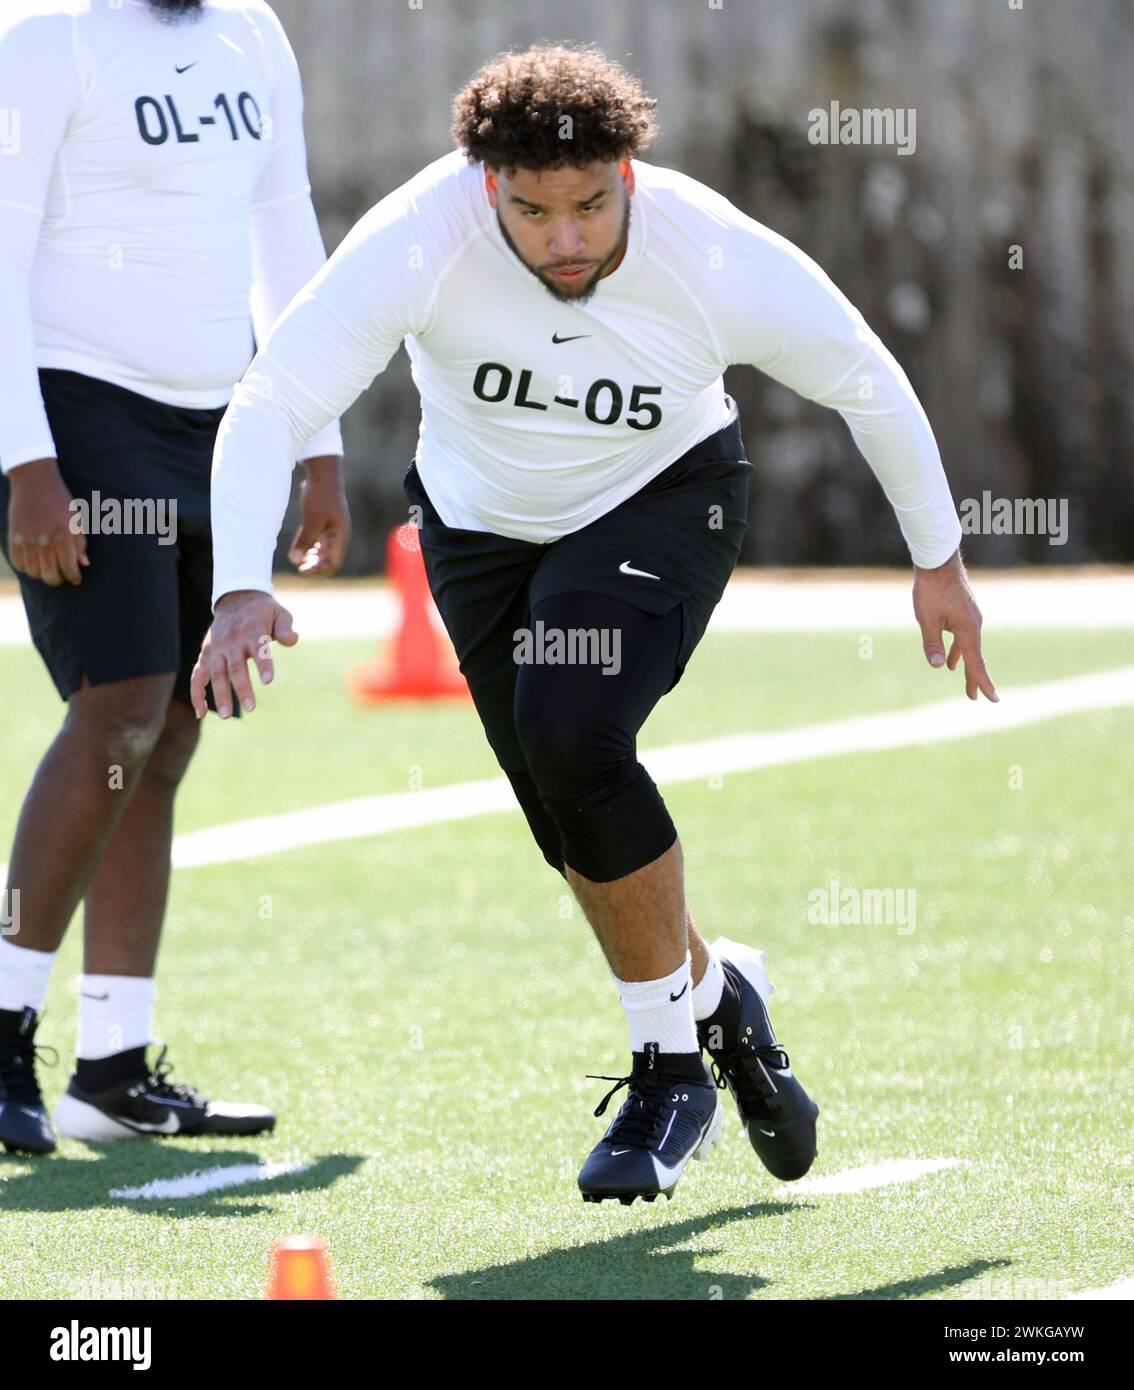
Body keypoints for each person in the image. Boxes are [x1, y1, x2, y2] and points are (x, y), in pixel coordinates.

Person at [191, 43, 996, 1204]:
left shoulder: (709, 249)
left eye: (590, 205)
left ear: (632, 171)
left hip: (666, 497)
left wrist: (940, 561)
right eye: (531, 211)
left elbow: (864, 374)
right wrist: (238, 584)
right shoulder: (422, 236)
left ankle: (670, 1072)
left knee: (574, 732)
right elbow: (273, 398)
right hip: (478, 532)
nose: (564, 236)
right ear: (486, 192)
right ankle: (722, 1001)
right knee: (571, 828)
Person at [0, 0, 349, 1156]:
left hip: (222, 419)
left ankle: (110, 1065)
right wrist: (27, 462)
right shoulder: (49, 37)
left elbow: (282, 226)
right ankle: (3, 1032)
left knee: (170, 730)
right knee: (122, 700)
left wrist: (316, 438)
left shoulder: (255, 31)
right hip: (81, 407)